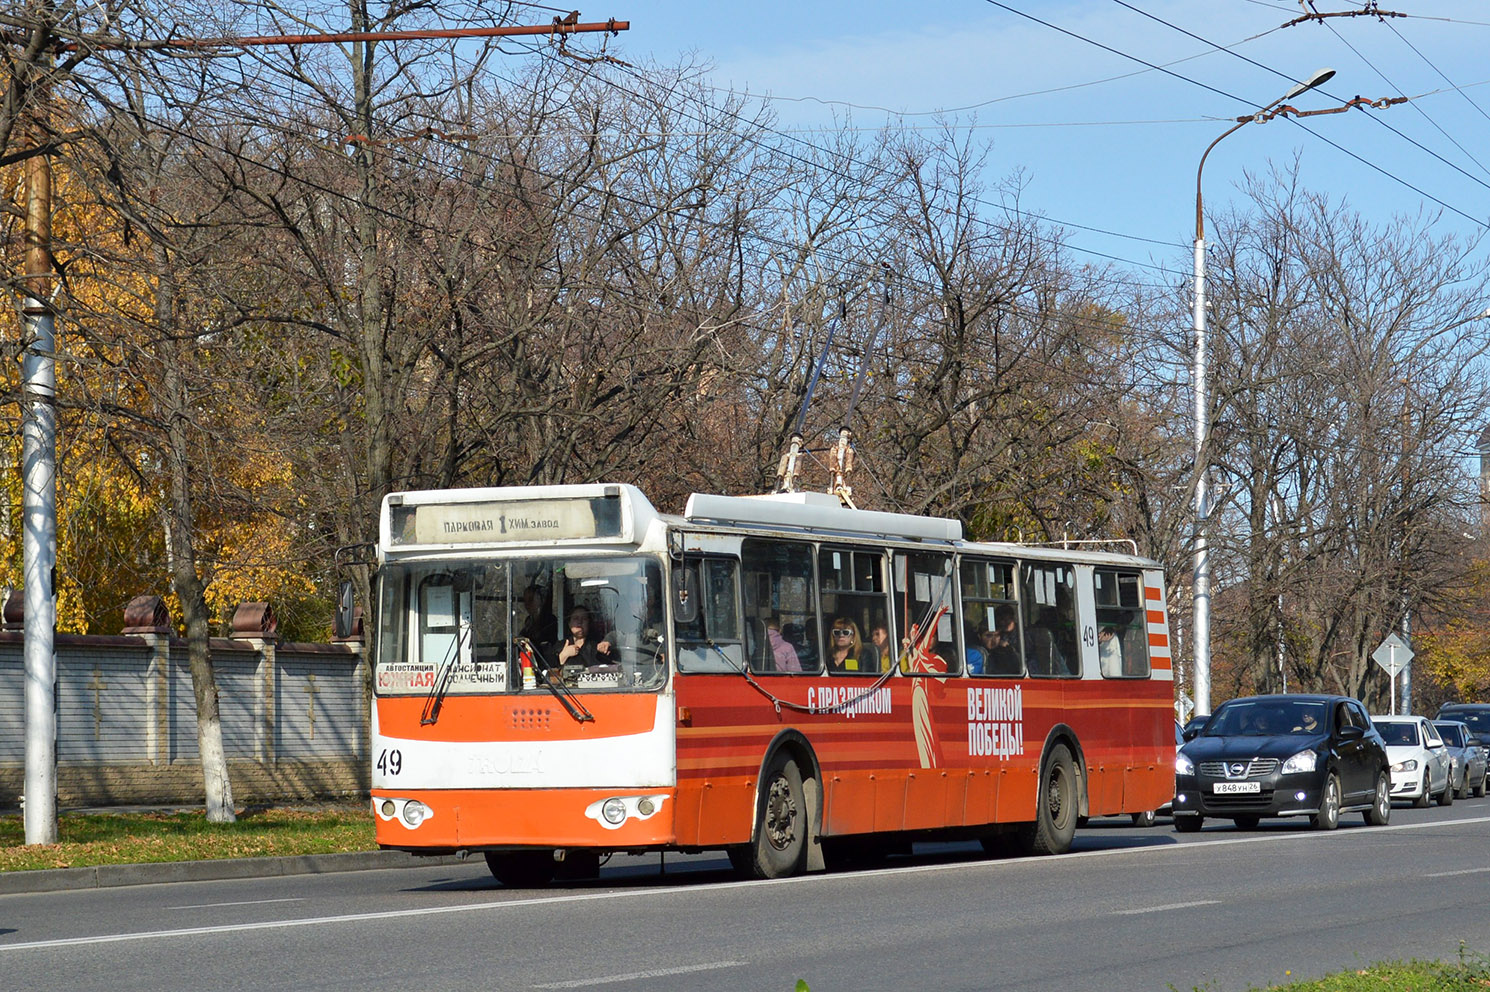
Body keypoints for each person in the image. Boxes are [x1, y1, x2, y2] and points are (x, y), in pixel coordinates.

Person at [983, 605, 1022, 675]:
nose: (1004, 623)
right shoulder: (996, 632)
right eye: (1002, 620)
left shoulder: (1022, 634)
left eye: (1008, 619)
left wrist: (1009, 648)